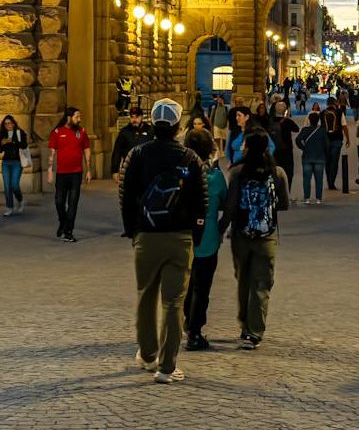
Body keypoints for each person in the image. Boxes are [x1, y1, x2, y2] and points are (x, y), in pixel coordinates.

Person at [119, 99, 208, 384]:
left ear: (152, 123)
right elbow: (201, 202)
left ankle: (147, 354)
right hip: (179, 236)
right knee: (174, 303)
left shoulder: (137, 154)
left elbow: (126, 196)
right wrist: (195, 235)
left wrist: (133, 230)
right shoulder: (190, 158)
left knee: (146, 295)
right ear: (178, 126)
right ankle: (167, 366)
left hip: (147, 233)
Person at [224, 131, 290, 350]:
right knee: (261, 284)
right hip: (266, 236)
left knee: (243, 280)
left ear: (246, 148)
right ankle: (255, 332)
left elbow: (231, 206)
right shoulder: (277, 173)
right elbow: (284, 204)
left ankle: (244, 324)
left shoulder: (237, 172)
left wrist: (221, 227)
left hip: (241, 235)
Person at [182, 128, 227, 352]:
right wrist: (221, 227)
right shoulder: (215, 177)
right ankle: (195, 331)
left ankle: (185, 320)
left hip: (182, 235)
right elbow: (226, 203)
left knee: (185, 285)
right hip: (207, 237)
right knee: (202, 287)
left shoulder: (181, 174)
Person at [47, 107, 91, 242]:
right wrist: (49, 170)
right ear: (68, 118)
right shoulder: (57, 132)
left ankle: (68, 231)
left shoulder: (81, 132)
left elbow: (87, 150)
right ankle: (63, 221)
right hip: (62, 174)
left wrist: (89, 169)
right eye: (77, 117)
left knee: (73, 203)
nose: (79, 119)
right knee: (59, 201)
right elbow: (51, 153)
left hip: (76, 173)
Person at [111, 107, 153, 182]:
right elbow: (117, 151)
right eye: (132, 117)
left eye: (137, 117)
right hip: (129, 168)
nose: (134, 120)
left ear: (141, 117)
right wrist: (115, 170)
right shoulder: (124, 132)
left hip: (146, 168)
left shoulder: (150, 130)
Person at [0, 115, 29, 217]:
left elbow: (24, 145)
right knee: (7, 186)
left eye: (9, 123)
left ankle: (20, 199)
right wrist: (2, 144)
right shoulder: (3, 134)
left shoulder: (20, 133)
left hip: (17, 162)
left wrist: (13, 141)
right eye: (5, 124)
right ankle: (9, 206)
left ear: (13, 124)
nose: (7, 125)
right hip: (6, 162)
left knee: (14, 185)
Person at [296, 113, 329, 205]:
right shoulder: (322, 131)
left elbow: (298, 140)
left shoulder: (305, 130)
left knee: (306, 179)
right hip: (320, 157)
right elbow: (327, 144)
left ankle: (307, 198)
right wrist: (325, 153)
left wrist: (303, 148)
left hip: (307, 157)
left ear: (309, 120)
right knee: (319, 179)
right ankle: (318, 198)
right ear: (318, 120)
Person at [270, 104, 299, 186]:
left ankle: (275, 188)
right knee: (288, 171)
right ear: (285, 110)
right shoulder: (287, 121)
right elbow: (296, 129)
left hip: (274, 149)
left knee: (274, 170)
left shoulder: (271, 121)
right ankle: (286, 188)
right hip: (286, 149)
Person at [321, 106, 345, 193]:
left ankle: (329, 181)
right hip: (337, 140)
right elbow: (344, 125)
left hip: (325, 140)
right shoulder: (339, 112)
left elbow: (319, 127)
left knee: (327, 162)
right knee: (334, 162)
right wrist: (348, 138)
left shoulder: (322, 113)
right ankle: (332, 182)